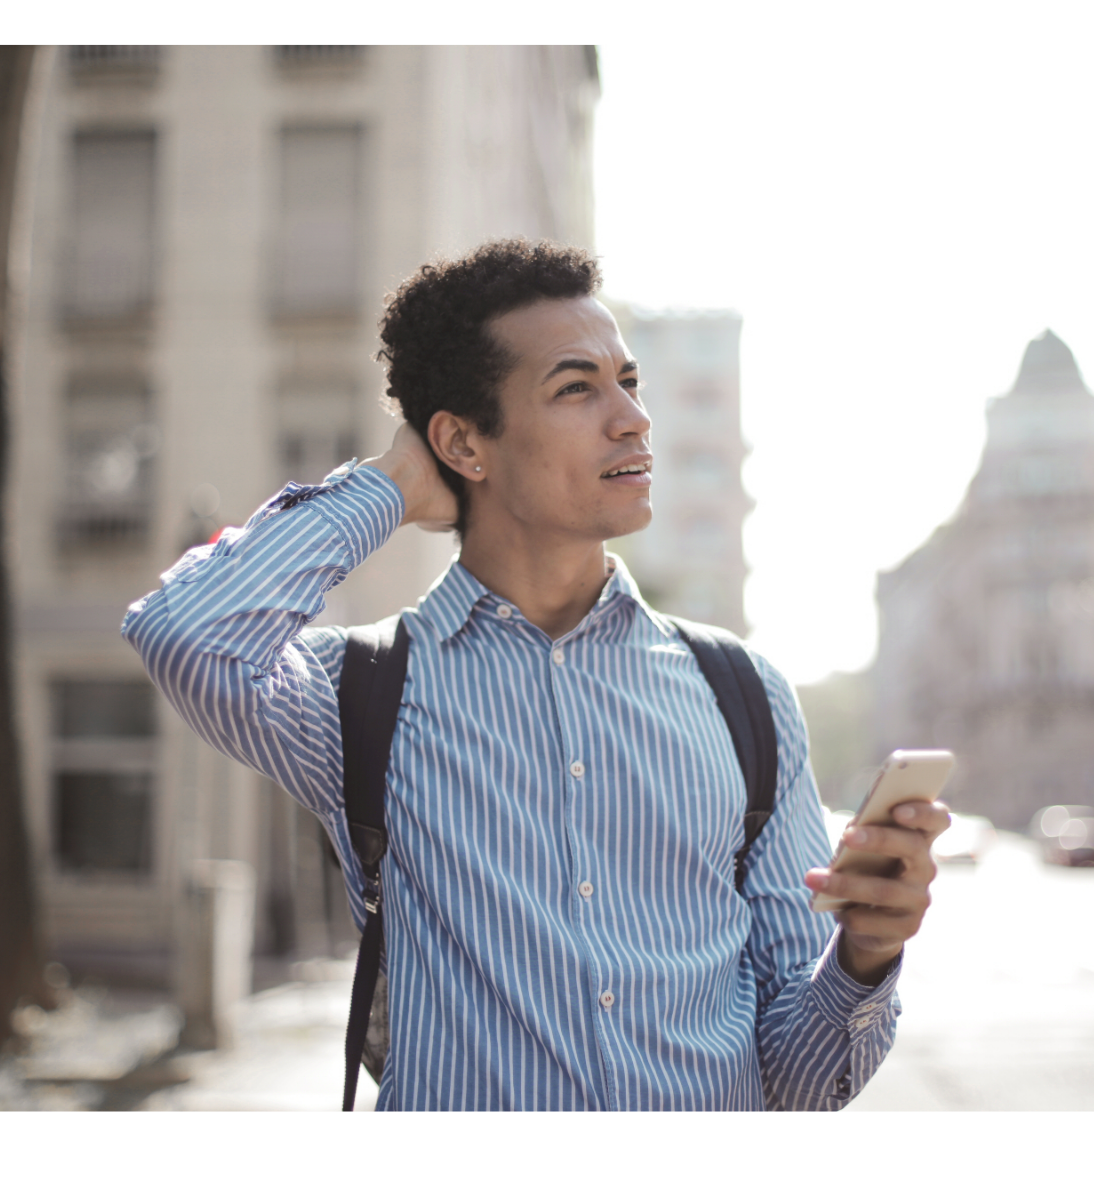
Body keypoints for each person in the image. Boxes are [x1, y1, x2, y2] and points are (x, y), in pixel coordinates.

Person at [121, 239, 948, 1111]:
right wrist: (395, 485)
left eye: (628, 380)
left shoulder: (742, 695)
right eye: (576, 387)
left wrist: (862, 958)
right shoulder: (361, 691)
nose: (632, 417)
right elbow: (186, 629)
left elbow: (801, 1086)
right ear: (464, 444)